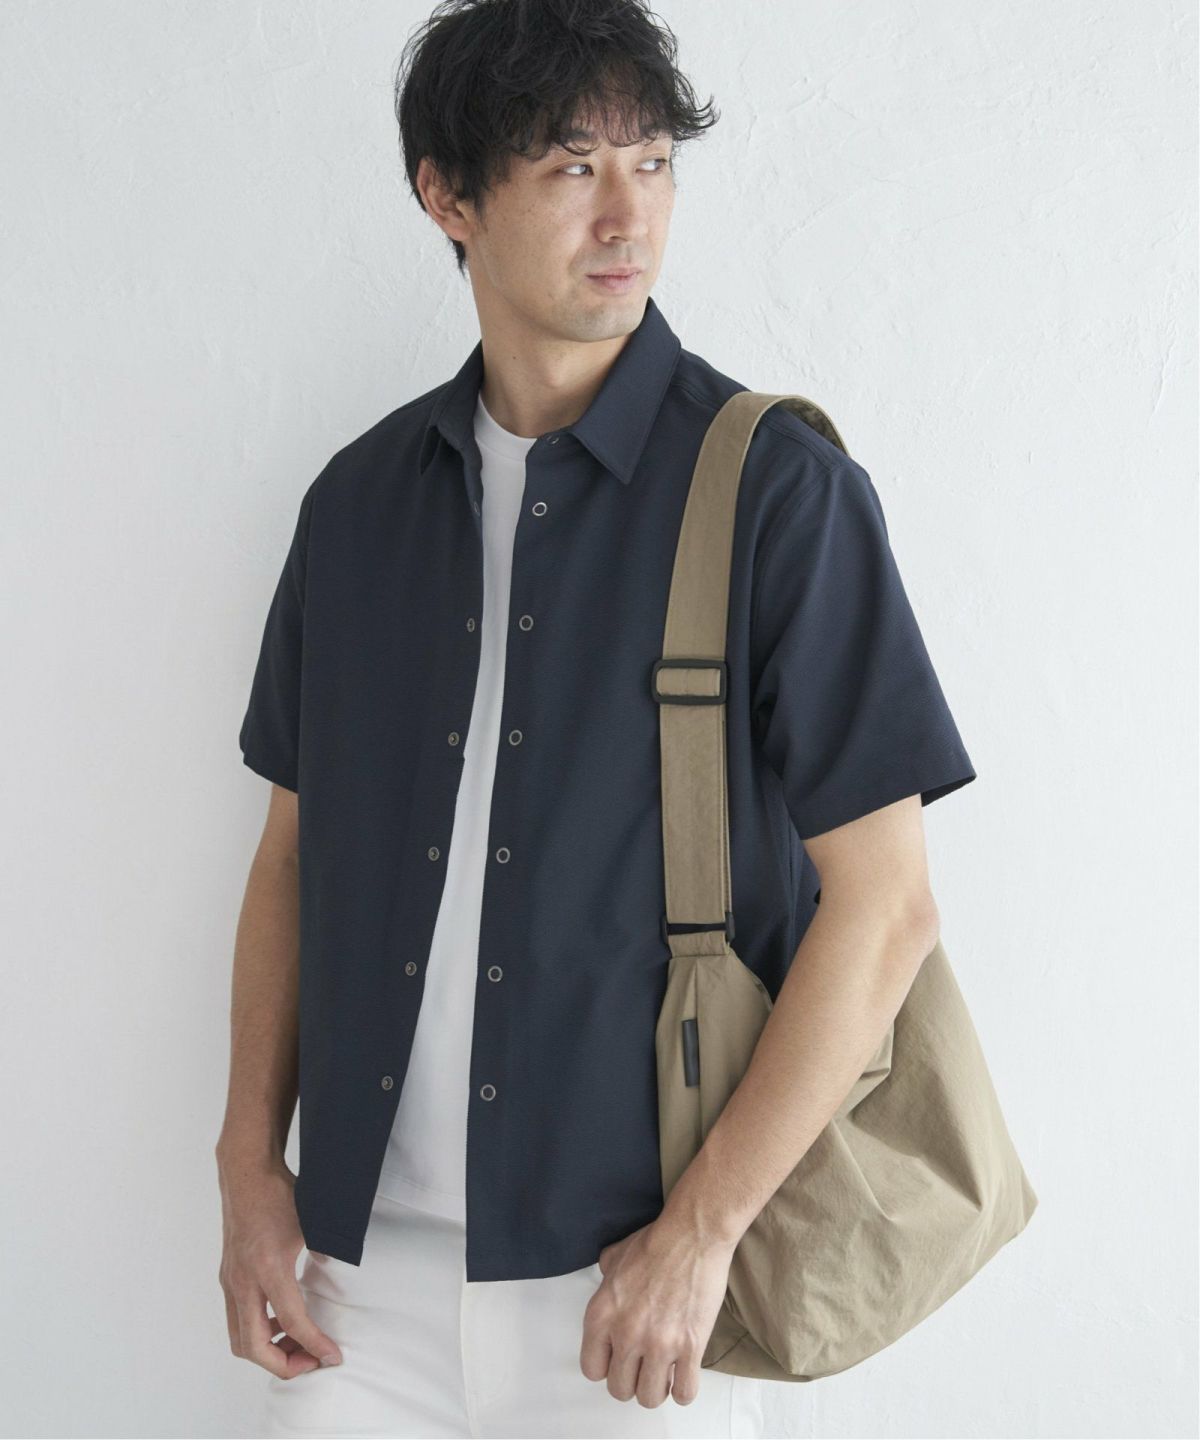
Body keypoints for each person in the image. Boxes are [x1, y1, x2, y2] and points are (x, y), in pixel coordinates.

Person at [215, 1, 978, 1435]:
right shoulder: (358, 508)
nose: (629, 214)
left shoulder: (780, 495)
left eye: (654, 161)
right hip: (356, 1293)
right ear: (448, 196)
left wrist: (701, 1236)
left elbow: (886, 908)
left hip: (640, 1296)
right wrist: (249, 1170)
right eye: (573, 166)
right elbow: (290, 860)